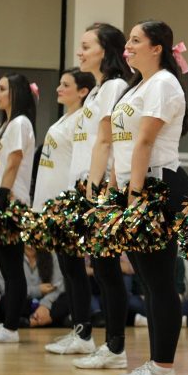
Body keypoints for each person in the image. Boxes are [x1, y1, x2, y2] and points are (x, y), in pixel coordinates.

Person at [104, 18, 188, 375]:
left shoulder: (163, 84)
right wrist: (118, 188)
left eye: (136, 41)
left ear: (157, 48)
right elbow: (121, 143)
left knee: (158, 281)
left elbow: (144, 142)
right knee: (147, 281)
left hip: (156, 184)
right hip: (135, 187)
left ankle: (163, 367)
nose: (128, 46)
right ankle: (157, 364)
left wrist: (135, 197)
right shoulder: (138, 86)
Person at [48, 24, 130, 357]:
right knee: (90, 267)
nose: (79, 53)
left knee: (107, 271)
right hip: (84, 187)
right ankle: (89, 337)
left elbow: (111, 142)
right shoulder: (96, 91)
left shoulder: (115, 86)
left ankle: (115, 346)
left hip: (102, 189)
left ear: (105, 50)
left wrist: (100, 190)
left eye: (86, 46)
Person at [29, 68, 94, 343]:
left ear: (83, 92)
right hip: (52, 206)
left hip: (68, 205)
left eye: (65, 85)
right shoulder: (64, 119)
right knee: (68, 270)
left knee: (75, 271)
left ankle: (84, 333)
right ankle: (78, 332)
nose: (58, 88)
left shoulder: (82, 120)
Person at [0, 73, 37, 343]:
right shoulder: (6, 124)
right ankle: (7, 322)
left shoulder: (20, 123)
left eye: (1, 88)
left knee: (12, 268)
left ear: (15, 93)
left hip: (10, 201)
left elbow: (14, 161)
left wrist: (2, 196)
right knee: (6, 267)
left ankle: (11, 328)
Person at [0, 243, 67, 328]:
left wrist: (44, 305)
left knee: (67, 298)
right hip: (23, 302)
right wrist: (38, 290)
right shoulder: (9, 257)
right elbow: (6, 290)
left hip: (48, 302)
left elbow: (58, 286)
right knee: (5, 301)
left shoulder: (52, 254)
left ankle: (30, 322)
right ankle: (47, 320)